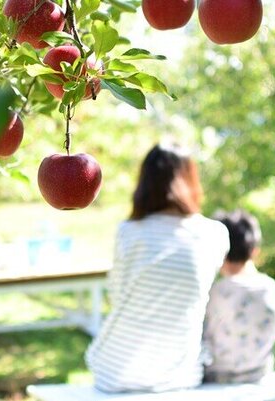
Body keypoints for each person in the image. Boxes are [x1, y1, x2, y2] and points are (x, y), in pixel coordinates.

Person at [85, 143, 229, 393]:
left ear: (145, 182)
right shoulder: (215, 234)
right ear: (191, 180)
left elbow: (117, 294)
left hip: (115, 372)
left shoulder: (128, 232)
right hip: (180, 374)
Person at [202, 210, 275, 384]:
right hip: (259, 378)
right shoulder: (273, 289)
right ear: (255, 250)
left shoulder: (213, 294)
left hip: (217, 380)